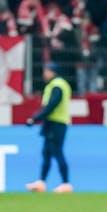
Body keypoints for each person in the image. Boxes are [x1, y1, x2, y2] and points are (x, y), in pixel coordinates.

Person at [25, 63, 73, 193]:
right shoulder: (55, 85)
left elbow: (51, 105)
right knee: (46, 153)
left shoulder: (57, 85)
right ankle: (41, 182)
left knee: (57, 152)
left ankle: (66, 183)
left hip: (57, 123)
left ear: (52, 72)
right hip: (52, 123)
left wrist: (35, 118)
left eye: (46, 71)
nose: (44, 74)